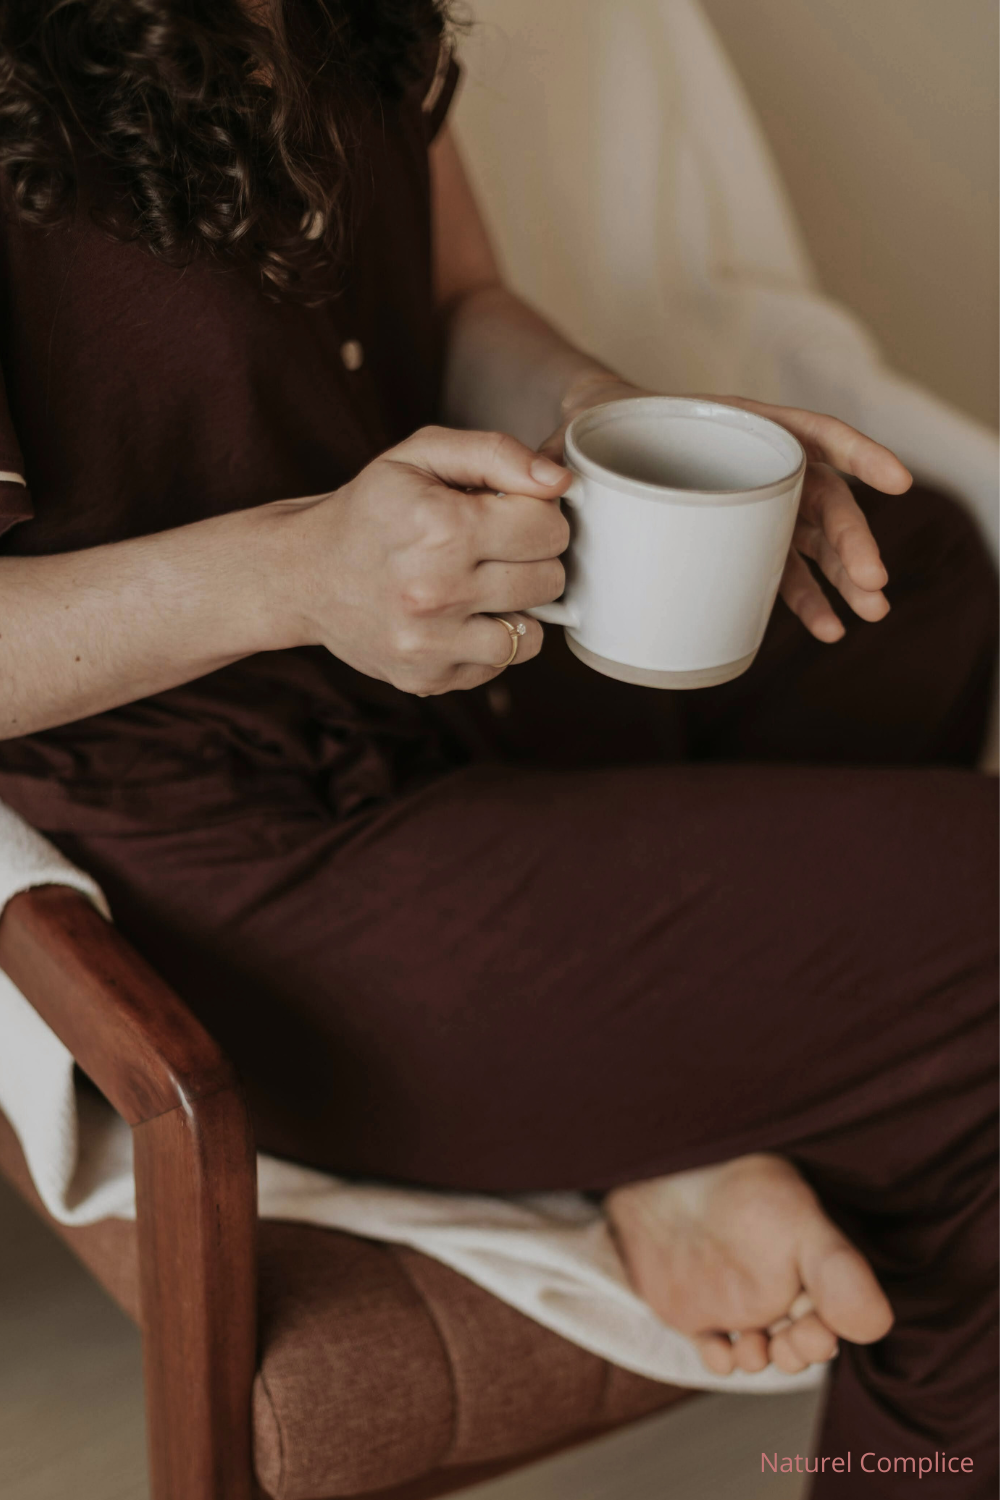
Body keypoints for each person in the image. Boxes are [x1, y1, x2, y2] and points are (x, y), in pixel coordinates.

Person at [0, 3, 995, 1492]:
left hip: (456, 683)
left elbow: (460, 304)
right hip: (232, 870)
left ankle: (682, 1127)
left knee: (908, 572)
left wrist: (611, 419)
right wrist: (296, 575)